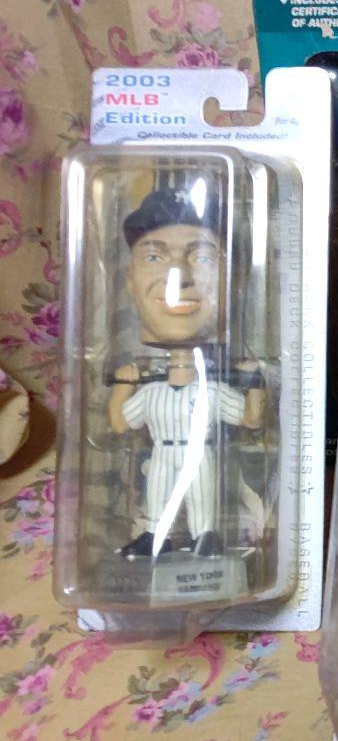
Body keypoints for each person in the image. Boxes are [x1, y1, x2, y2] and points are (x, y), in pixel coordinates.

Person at [107, 184, 265, 559]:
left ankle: (205, 538)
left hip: (201, 454)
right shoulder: (152, 391)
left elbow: (251, 418)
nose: (179, 277)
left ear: (236, 281)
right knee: (158, 497)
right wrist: (123, 384)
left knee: (203, 502)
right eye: (154, 257)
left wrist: (255, 381)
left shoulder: (211, 390)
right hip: (163, 453)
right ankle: (153, 537)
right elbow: (119, 423)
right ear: (130, 280)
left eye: (204, 257)